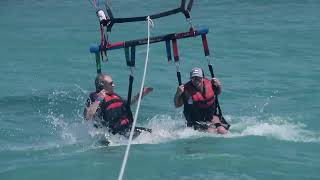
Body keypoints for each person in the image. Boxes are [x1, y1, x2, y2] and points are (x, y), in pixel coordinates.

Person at [84, 73, 152, 137]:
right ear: (102, 86)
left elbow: (128, 104)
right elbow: (87, 116)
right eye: (111, 83)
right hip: (112, 134)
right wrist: (99, 99)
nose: (114, 85)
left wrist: (141, 94)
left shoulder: (114, 96)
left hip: (125, 129)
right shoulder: (95, 98)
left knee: (151, 133)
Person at [174, 67, 228, 134]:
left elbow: (217, 93)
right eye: (194, 78)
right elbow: (177, 105)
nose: (196, 81)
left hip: (210, 117)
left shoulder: (210, 84)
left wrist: (219, 86)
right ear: (191, 79)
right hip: (195, 119)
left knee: (222, 130)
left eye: (198, 78)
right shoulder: (186, 91)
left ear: (203, 78)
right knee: (210, 131)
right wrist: (178, 93)